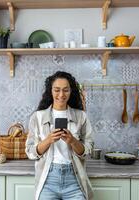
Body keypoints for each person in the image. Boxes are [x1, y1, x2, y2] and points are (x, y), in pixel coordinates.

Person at [25, 71, 94, 200]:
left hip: (75, 179)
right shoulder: (37, 117)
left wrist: (73, 141)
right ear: (50, 91)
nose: (61, 95)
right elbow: (30, 152)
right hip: (47, 180)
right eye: (57, 90)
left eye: (65, 90)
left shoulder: (81, 117)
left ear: (71, 91)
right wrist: (48, 140)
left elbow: (88, 150)